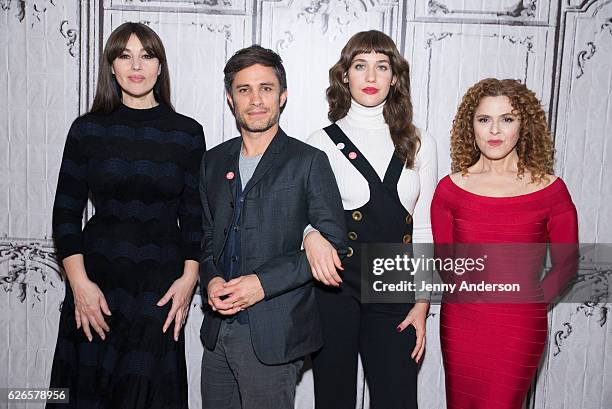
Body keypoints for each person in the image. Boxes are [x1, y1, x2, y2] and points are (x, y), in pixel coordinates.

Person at [47, 22, 204, 408]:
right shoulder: (86, 130)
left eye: (147, 55)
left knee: (148, 395)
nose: (137, 66)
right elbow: (65, 213)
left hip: (160, 289)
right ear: (112, 67)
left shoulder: (187, 133)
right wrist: (80, 285)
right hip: (95, 284)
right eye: (125, 55)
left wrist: (189, 279)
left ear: (160, 67)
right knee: (85, 393)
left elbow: (196, 216)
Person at [198, 45, 346, 409]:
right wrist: (211, 279)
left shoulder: (308, 161)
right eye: (244, 89)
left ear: (282, 96)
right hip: (217, 335)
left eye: (266, 88)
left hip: (274, 336)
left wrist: (261, 285)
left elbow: (335, 245)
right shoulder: (213, 161)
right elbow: (204, 239)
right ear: (231, 99)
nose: (256, 99)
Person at [303, 30, 437, 409]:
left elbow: (424, 225)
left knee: (397, 398)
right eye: (360, 66)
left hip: (394, 281)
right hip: (334, 285)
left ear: (395, 76)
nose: (372, 77)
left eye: (382, 66)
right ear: (345, 75)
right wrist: (310, 235)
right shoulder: (320, 141)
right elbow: (305, 215)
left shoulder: (420, 141)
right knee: (333, 398)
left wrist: (423, 301)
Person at [431, 78, 578, 409]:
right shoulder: (450, 190)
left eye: (507, 119)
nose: (494, 130)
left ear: (523, 125)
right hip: (463, 323)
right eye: (484, 120)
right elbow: (445, 261)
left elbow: (567, 263)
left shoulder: (551, 191)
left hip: (519, 326)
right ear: (472, 126)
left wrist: (530, 300)